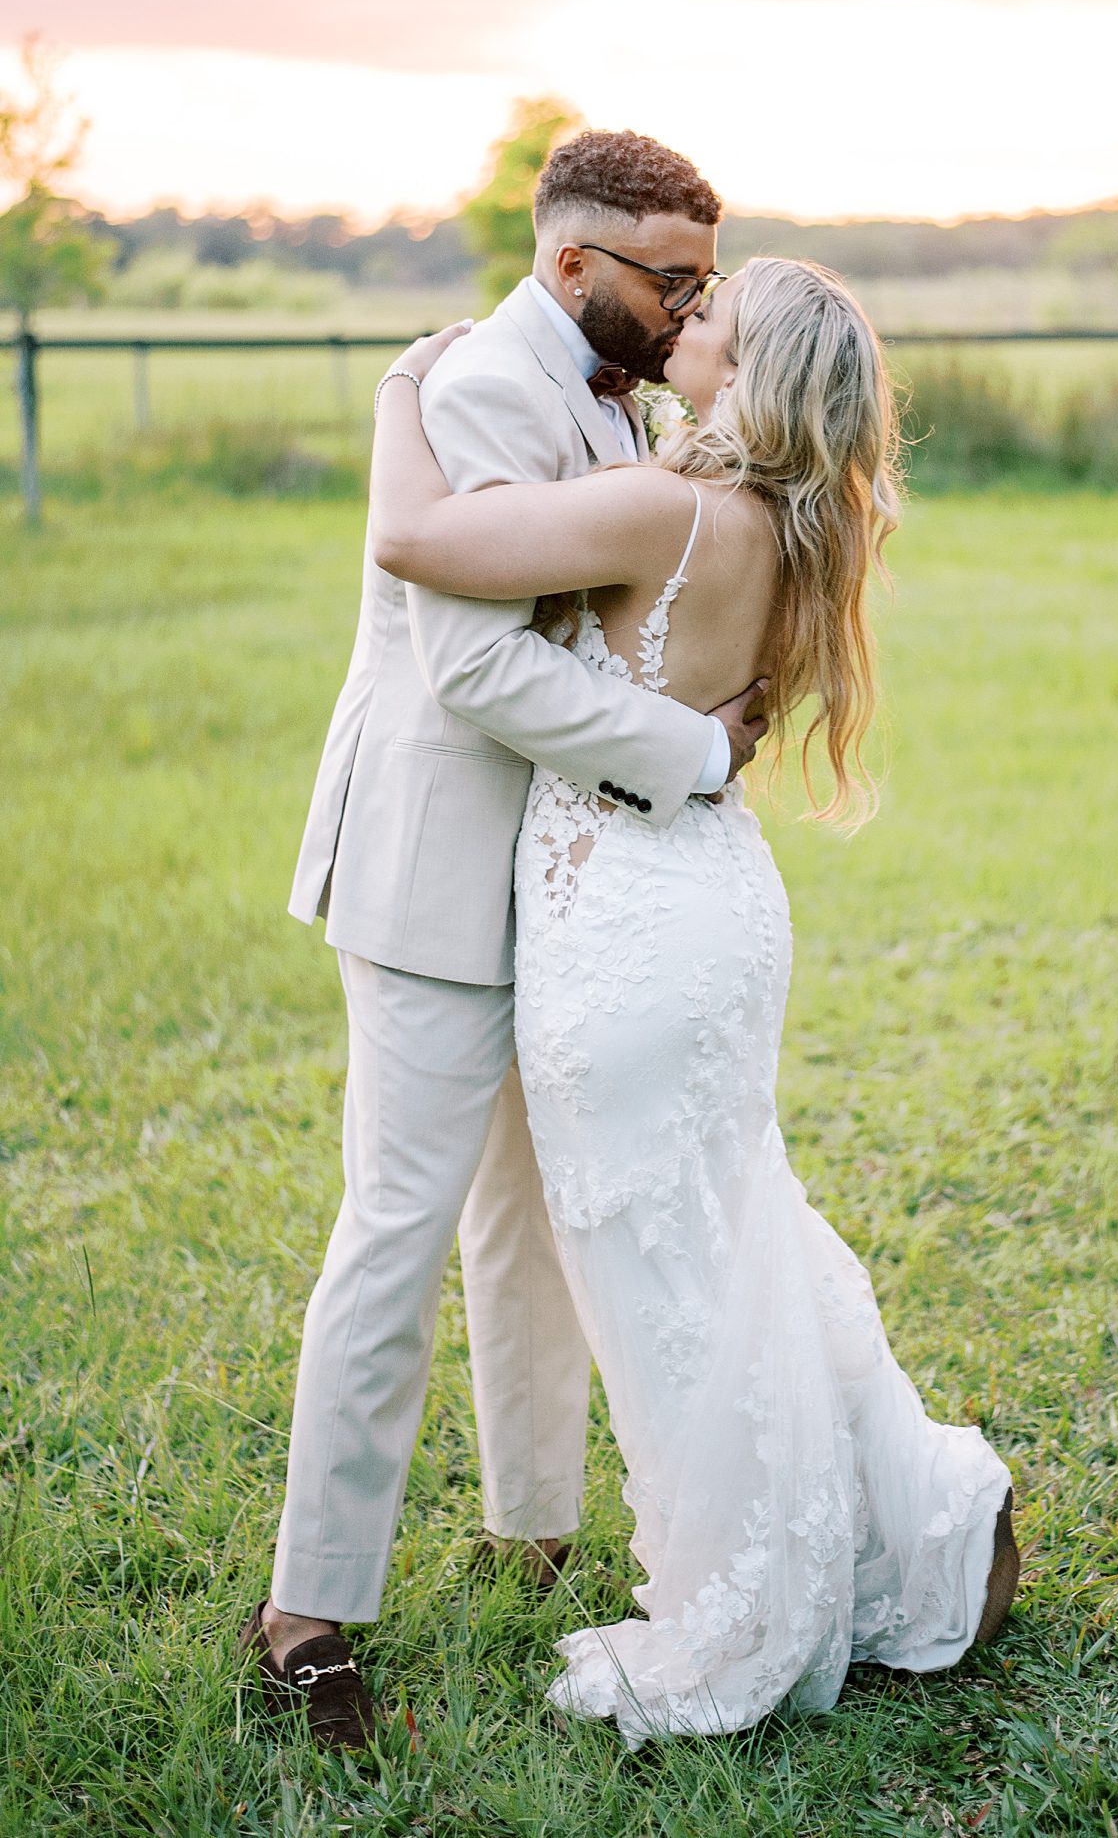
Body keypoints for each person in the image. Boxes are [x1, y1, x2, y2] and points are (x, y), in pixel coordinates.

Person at [365, 252, 1018, 1743]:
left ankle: (747, 1605)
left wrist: (405, 384)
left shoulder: (663, 511)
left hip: (630, 933)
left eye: (710, 318)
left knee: (664, 1277)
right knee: (727, 1234)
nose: (685, 321)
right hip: (714, 905)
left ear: (751, 372)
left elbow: (416, 539)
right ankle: (894, 1520)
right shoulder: (803, 530)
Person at [242, 131, 771, 1749]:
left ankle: (533, 1523)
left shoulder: (614, 392)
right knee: (398, 1227)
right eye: (667, 280)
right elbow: (471, 673)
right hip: (432, 872)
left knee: (531, 1217)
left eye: (701, 285)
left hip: (564, 887)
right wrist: (686, 752)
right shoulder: (475, 388)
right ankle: (307, 1613)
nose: (688, 311)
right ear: (571, 265)